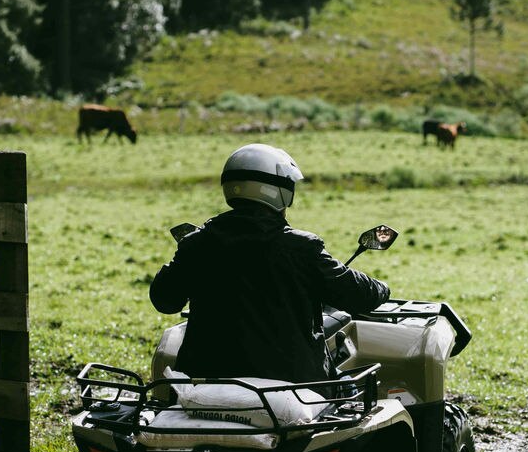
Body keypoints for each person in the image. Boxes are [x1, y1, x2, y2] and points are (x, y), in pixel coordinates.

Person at [150, 143, 390, 382]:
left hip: (202, 381)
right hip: (289, 386)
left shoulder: (196, 244)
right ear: (279, 190)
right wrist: (381, 288)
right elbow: (360, 295)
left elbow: (164, 300)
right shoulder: (301, 247)